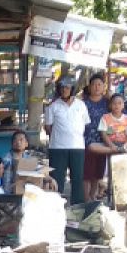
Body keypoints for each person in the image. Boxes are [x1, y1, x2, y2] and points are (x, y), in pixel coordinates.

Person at [43, 76, 90, 205]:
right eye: (62, 87)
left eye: (67, 87)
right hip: (57, 147)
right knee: (57, 178)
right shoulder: (53, 106)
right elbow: (48, 128)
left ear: (72, 89)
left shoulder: (81, 105)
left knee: (78, 178)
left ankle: (77, 207)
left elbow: (85, 124)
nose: (64, 90)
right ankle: (57, 206)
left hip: (78, 147)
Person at [81, 73, 112, 203]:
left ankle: (93, 197)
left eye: (99, 84)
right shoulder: (83, 103)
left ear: (103, 87)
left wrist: (110, 137)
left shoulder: (107, 103)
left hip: (102, 142)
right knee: (86, 173)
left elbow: (114, 119)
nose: (97, 87)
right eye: (94, 84)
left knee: (97, 173)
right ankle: (85, 198)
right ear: (89, 87)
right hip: (85, 141)